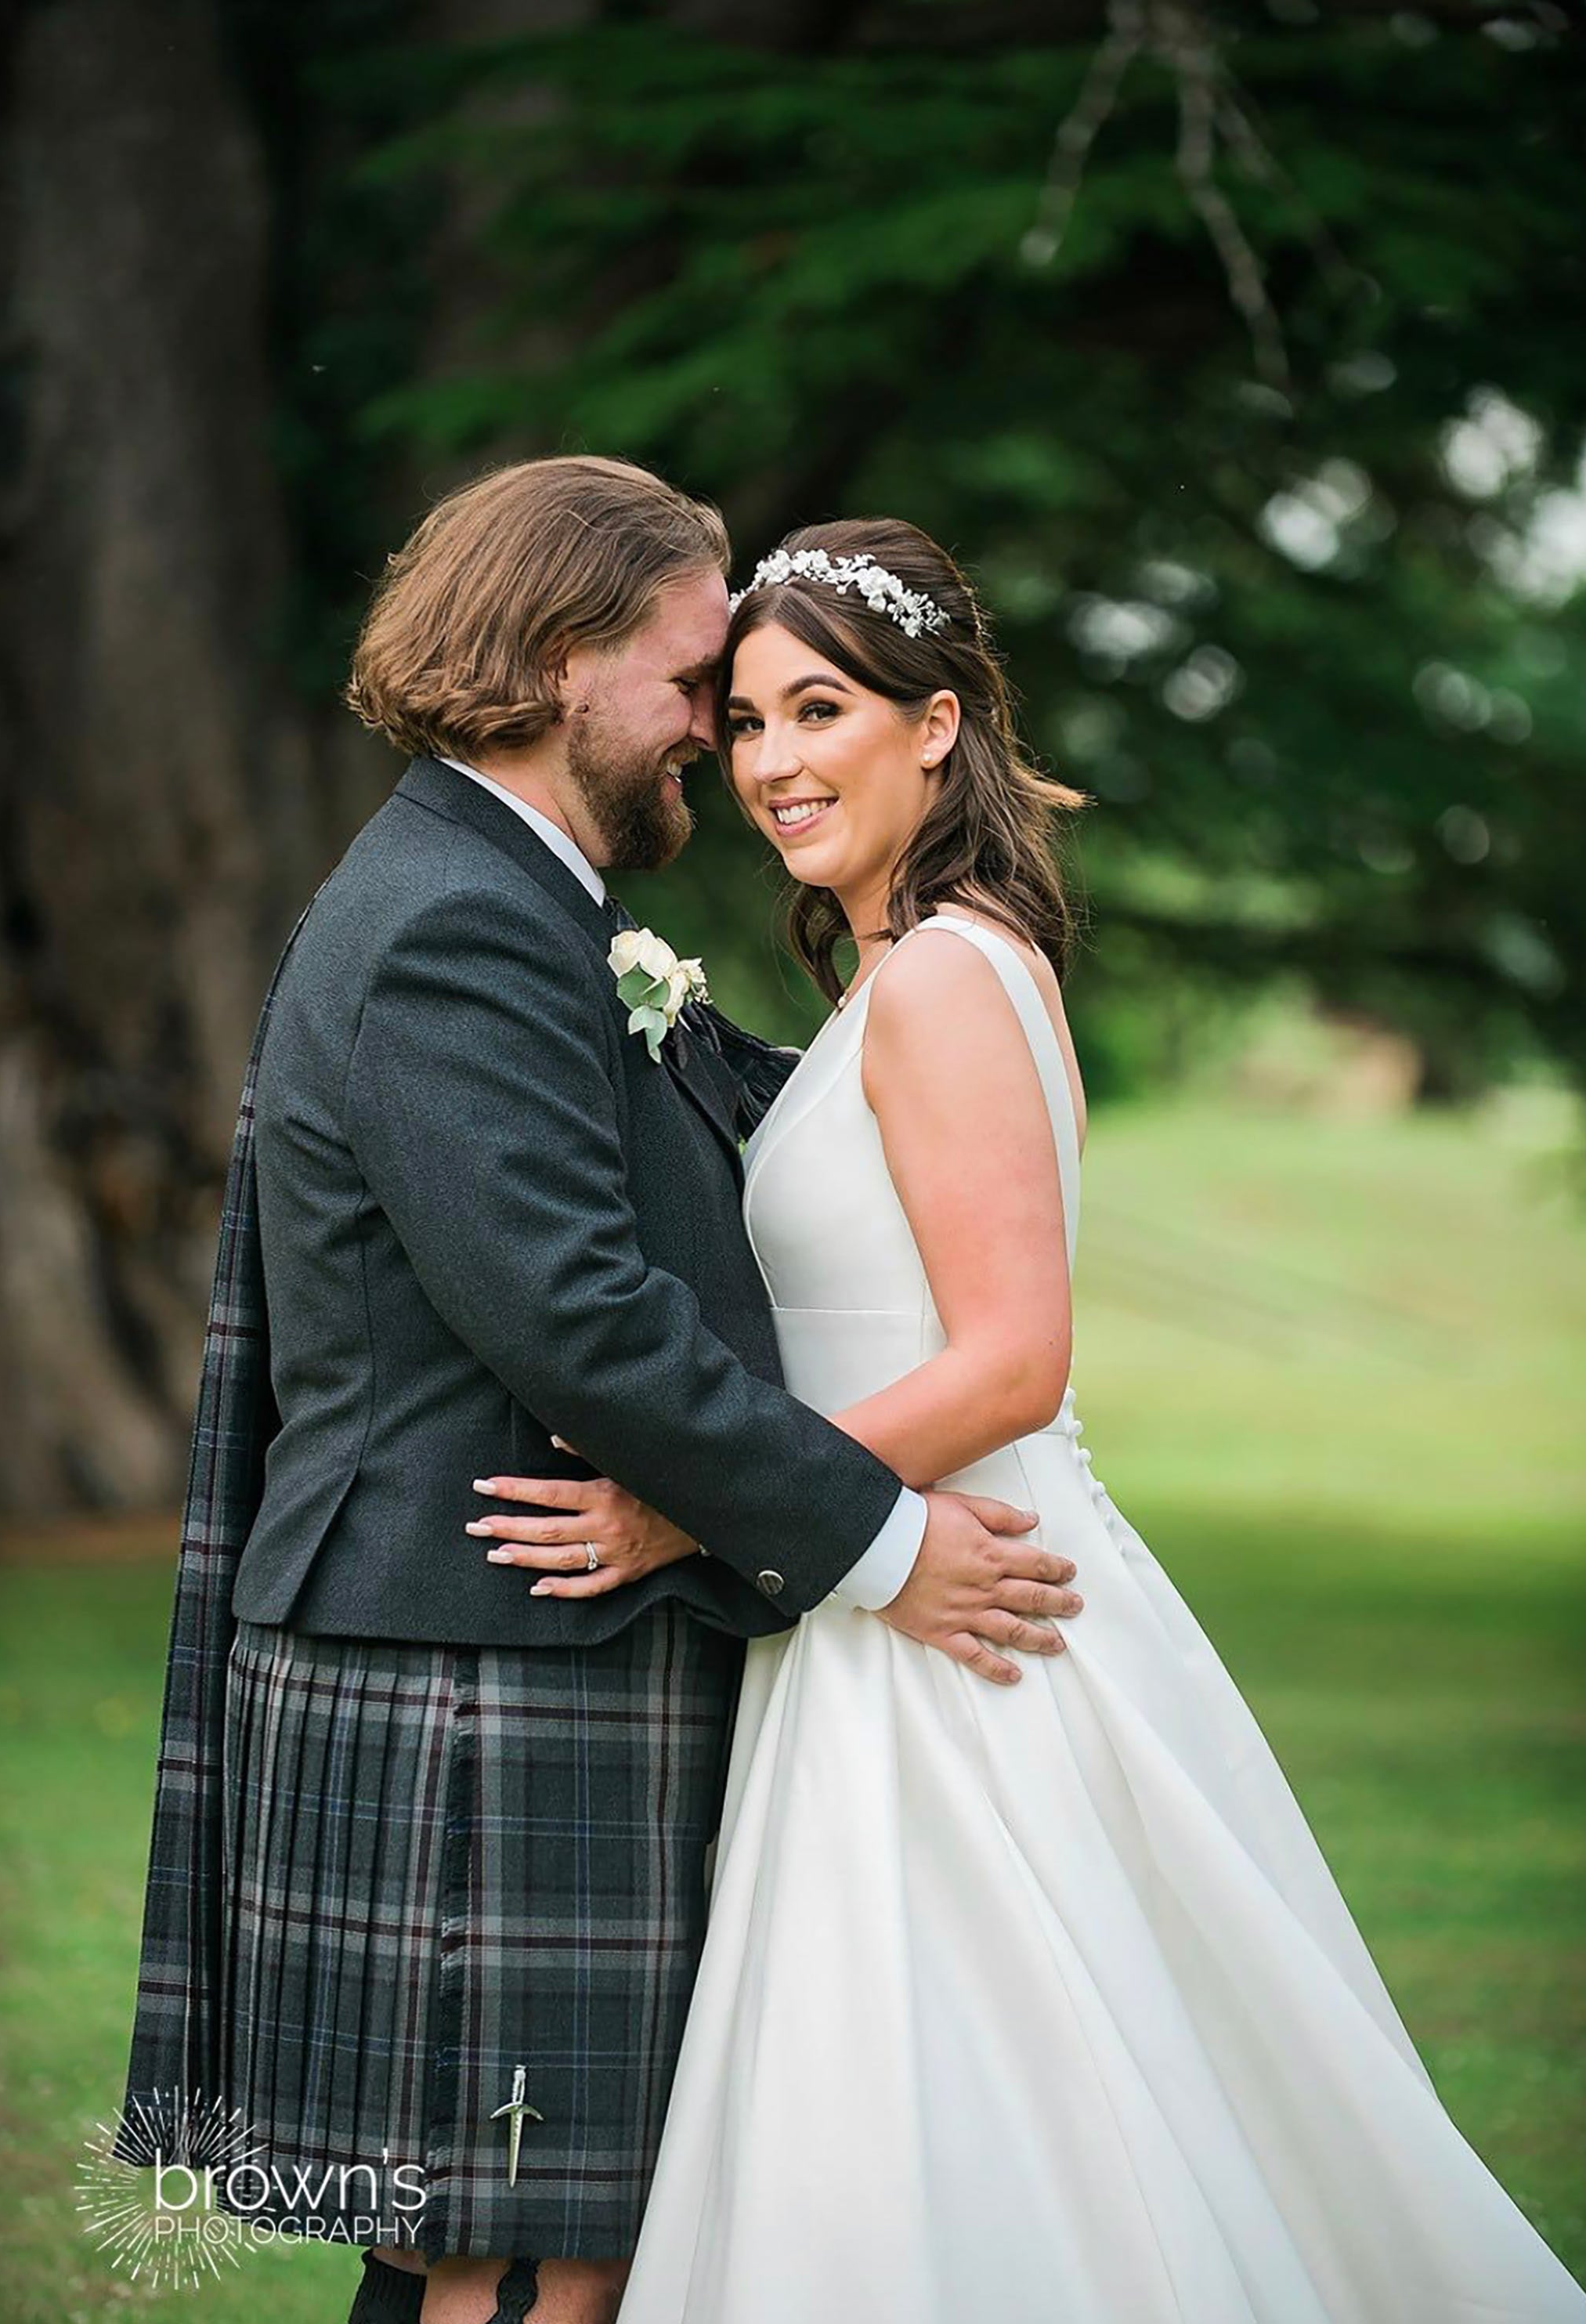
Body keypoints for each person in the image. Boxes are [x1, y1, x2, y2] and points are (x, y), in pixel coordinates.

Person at [485, 519, 1586, 2322]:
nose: (771, 763)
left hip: (959, 1610)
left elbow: (1012, 1360)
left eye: (819, 708)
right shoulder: (913, 969)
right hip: (879, 1591)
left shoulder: (938, 977)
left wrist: (700, 1508)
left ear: (936, 726)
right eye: (746, 719)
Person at [117, 463, 1086, 2324]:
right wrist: (871, 1538)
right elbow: (573, 1314)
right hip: (486, 1643)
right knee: (522, 2253)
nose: (710, 743)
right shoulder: (456, 920)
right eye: (695, 687)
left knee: (515, 2244)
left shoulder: (515, 902)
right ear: (568, 663)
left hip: (513, 1635)